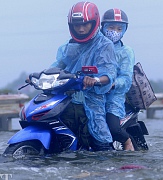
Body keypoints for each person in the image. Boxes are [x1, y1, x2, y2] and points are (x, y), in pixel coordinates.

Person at [50, 1, 118, 151]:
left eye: (85, 24)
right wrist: (41, 76)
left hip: (92, 99)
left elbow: (109, 73)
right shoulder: (67, 47)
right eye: (77, 25)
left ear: (94, 23)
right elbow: (57, 65)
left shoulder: (104, 45)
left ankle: (107, 160)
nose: (80, 29)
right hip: (67, 98)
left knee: (99, 137)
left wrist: (95, 80)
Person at [101, 8, 135, 150]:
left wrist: (113, 84)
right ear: (102, 27)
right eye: (111, 27)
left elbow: (126, 78)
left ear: (124, 30)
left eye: (119, 28)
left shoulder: (126, 52)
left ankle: (128, 143)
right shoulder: (95, 47)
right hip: (91, 93)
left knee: (113, 129)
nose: (114, 31)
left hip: (114, 97)